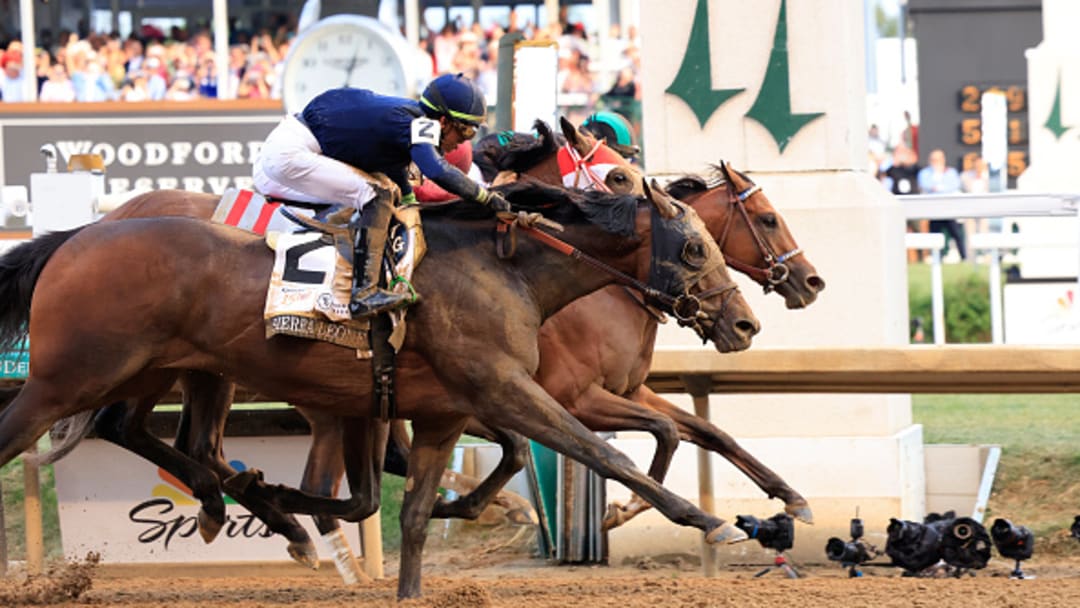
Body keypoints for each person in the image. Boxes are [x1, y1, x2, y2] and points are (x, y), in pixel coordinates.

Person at [252, 73, 510, 317]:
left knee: (382, 193)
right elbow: (436, 170)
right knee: (376, 195)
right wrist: (485, 197)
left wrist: (409, 202)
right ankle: (364, 294)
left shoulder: (407, 118)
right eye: (466, 131)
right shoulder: (421, 123)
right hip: (291, 153)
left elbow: (394, 170)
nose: (463, 143)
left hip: (282, 153)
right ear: (444, 121)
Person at [918, 148, 966, 261]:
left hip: (949, 208)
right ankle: (937, 257)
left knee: (956, 234)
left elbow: (954, 186)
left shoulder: (951, 172)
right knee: (934, 234)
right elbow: (925, 184)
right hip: (933, 210)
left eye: (938, 159)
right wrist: (938, 186)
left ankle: (963, 256)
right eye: (933, 159)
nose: (936, 161)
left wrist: (938, 188)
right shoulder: (925, 173)